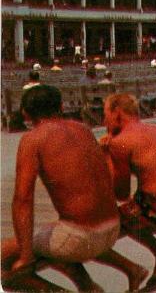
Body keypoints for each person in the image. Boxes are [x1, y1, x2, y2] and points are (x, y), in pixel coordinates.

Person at [2, 85, 120, 292]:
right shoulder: (83, 128)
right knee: (52, 233)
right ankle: (89, 288)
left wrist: (26, 257)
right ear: (61, 106)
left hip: (82, 238)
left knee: (5, 257)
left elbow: (23, 200)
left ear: (25, 113)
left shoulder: (32, 140)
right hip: (112, 229)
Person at [94, 93, 156, 289]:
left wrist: (106, 156)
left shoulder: (121, 142)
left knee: (93, 231)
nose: (104, 121)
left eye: (106, 115)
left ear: (117, 114)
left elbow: (120, 192)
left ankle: (143, 264)